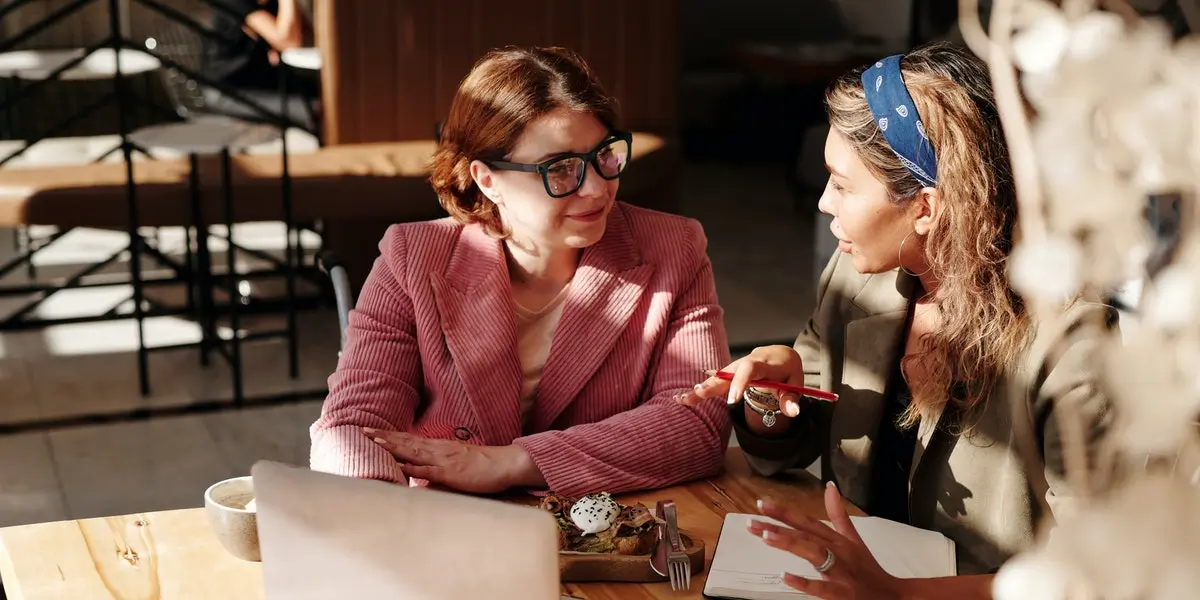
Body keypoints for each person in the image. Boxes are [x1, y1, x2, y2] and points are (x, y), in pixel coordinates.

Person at [679, 42, 1116, 598]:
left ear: (927, 208)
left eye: (841, 185)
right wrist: (771, 400)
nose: (823, 205)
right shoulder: (859, 276)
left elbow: (1095, 574)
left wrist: (899, 595)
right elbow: (792, 440)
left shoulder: (1070, 343)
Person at [310, 46, 732, 498]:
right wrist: (379, 512)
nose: (595, 188)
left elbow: (697, 424)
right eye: (561, 168)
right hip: (451, 522)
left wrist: (514, 462)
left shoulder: (673, 248)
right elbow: (352, 427)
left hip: (613, 528)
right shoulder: (413, 256)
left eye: (605, 156)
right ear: (487, 178)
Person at [202, 0, 319, 129]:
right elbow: (289, 41)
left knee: (336, 94)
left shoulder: (273, 4)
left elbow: (311, 38)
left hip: (268, 82)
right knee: (318, 110)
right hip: (228, 90)